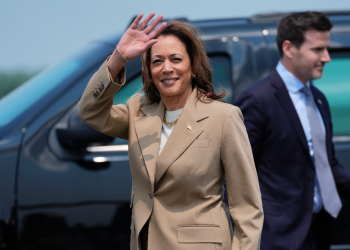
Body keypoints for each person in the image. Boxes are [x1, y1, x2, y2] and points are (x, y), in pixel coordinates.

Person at [78, 13, 263, 250]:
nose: (167, 68)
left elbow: (247, 208)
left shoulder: (223, 117)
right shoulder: (138, 111)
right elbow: (90, 111)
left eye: (176, 59)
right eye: (157, 61)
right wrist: (118, 59)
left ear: (193, 66)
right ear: (149, 71)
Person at [234, 11, 350, 250]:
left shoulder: (318, 98)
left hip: (318, 232)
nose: (326, 57)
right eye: (318, 49)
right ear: (289, 48)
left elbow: (327, 164)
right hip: (276, 238)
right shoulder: (258, 100)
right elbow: (236, 175)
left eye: (326, 49)